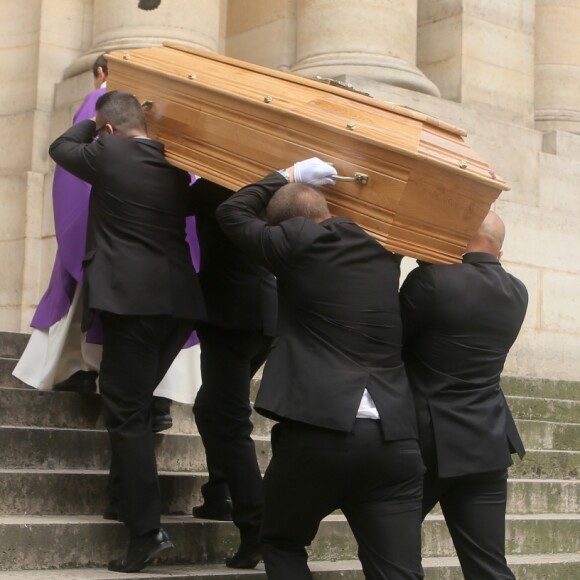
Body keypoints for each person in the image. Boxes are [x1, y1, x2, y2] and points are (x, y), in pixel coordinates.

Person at [216, 158, 425, 580]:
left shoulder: (295, 241)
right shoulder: (384, 246)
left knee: (280, 540)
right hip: (396, 439)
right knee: (398, 573)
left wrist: (285, 176)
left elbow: (230, 213)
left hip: (320, 429)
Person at [48, 90, 206, 572]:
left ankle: (145, 530)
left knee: (127, 412)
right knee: (134, 402)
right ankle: (121, 501)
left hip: (132, 304)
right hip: (177, 306)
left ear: (109, 131)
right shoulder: (174, 166)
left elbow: (60, 146)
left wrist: (97, 121)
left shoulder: (108, 150)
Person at [12, 54, 203, 433]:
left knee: (125, 406)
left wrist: (98, 111)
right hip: (173, 274)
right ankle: (159, 397)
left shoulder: (104, 126)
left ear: (100, 73)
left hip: (118, 264)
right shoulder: (175, 141)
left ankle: (84, 372)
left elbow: (65, 152)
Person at [399, 210, 528, 580]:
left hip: (427, 442)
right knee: (488, 566)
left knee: (396, 557)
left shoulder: (432, 281)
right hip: (487, 441)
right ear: (498, 251)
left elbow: (390, 342)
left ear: (459, 235)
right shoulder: (518, 291)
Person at [184, 178, 277, 568]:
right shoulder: (266, 185)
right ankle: (218, 493)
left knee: (229, 422)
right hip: (264, 315)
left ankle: (256, 529)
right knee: (210, 409)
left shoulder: (210, 187)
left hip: (230, 318)